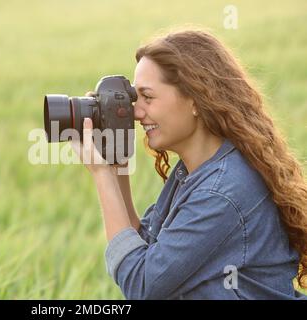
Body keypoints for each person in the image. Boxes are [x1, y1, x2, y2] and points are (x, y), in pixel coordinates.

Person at [71, 29, 307, 299]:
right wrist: (116, 166)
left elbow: (142, 285)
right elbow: (146, 248)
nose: (136, 113)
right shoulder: (197, 171)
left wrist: (101, 173)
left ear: (195, 99)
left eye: (148, 97)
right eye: (135, 99)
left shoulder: (220, 191)